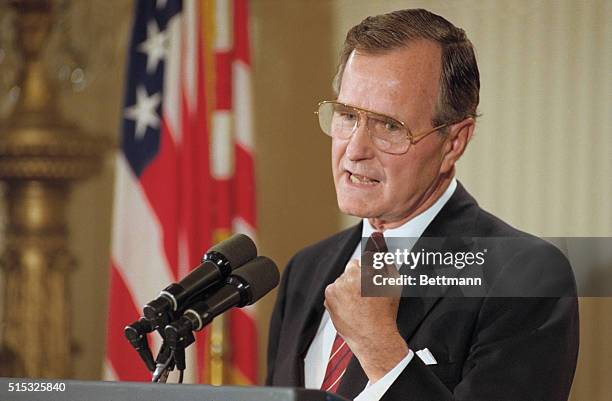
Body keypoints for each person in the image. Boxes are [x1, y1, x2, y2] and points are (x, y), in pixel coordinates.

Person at [266, 8, 578, 401]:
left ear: (454, 142)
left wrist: (382, 351)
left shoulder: (525, 277)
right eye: (347, 116)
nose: (355, 150)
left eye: (389, 126)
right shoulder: (305, 270)